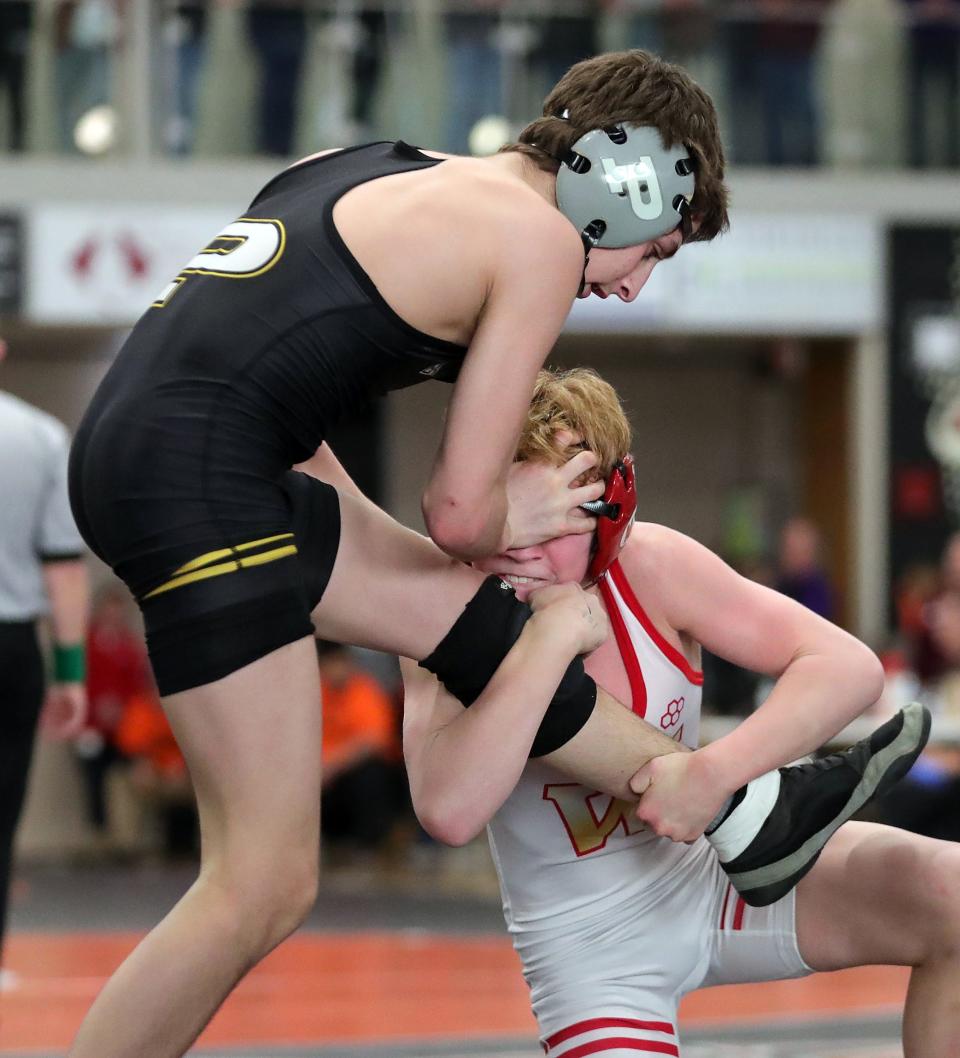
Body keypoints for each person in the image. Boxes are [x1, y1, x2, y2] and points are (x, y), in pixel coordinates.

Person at [67, 49, 903, 1058]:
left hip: (177, 445)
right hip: (195, 475)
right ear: (625, 178)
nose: (636, 286)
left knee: (486, 631)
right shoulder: (540, 242)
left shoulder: (375, 162)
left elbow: (279, 388)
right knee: (261, 881)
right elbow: (463, 514)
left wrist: (431, 556)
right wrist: (525, 506)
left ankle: (743, 804)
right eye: (659, 249)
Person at [401, 367, 944, 1058]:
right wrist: (553, 635)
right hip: (592, 946)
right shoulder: (444, 610)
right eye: (507, 516)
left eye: (556, 519)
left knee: (948, 894)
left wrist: (717, 773)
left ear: (612, 511)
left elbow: (848, 668)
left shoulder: (651, 564)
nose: (523, 547)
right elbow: (448, 809)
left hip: (719, 871)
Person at [0, 337, 88, 990]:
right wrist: (70, 670)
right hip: (10, 648)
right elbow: (63, 565)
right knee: (2, 811)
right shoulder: (38, 435)